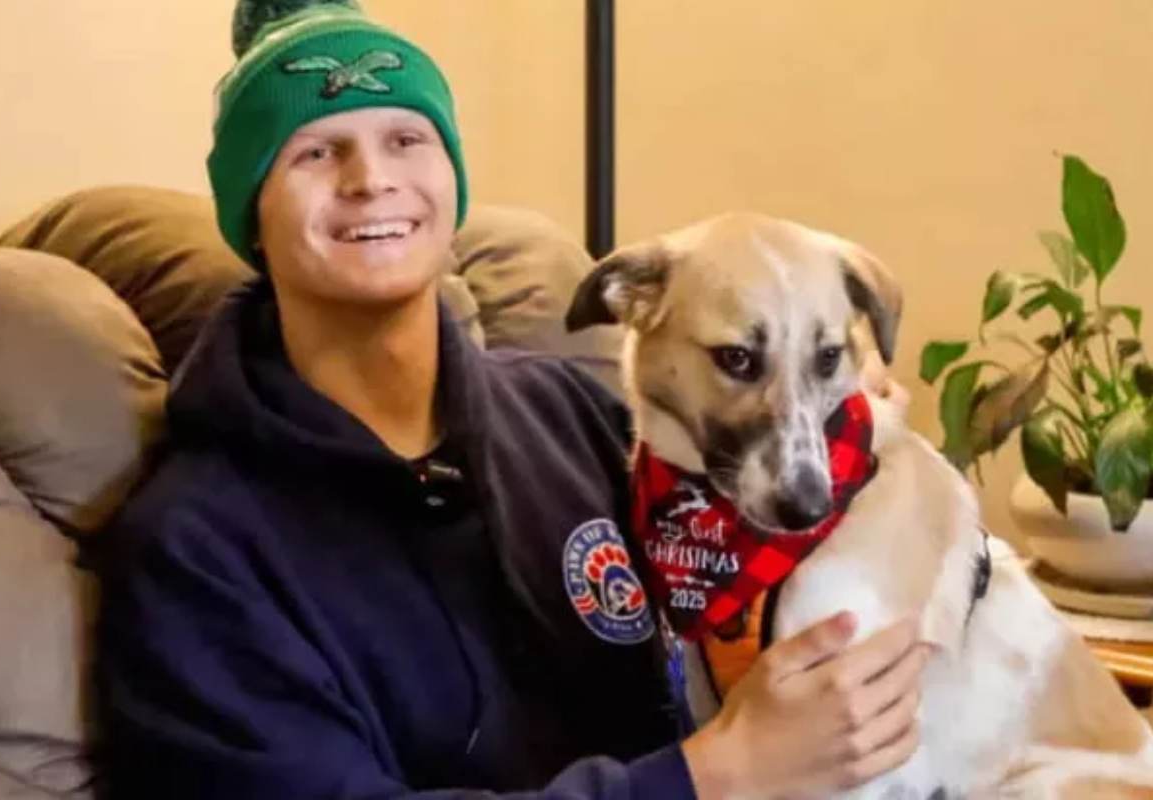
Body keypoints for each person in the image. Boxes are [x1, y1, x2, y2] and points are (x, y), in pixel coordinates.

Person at [95, 1, 927, 797]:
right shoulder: (193, 552)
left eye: (405, 138)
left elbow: (763, 569)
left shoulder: (571, 414)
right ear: (252, 211)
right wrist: (717, 777)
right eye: (316, 152)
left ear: (449, 176)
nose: (371, 178)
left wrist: (848, 425)